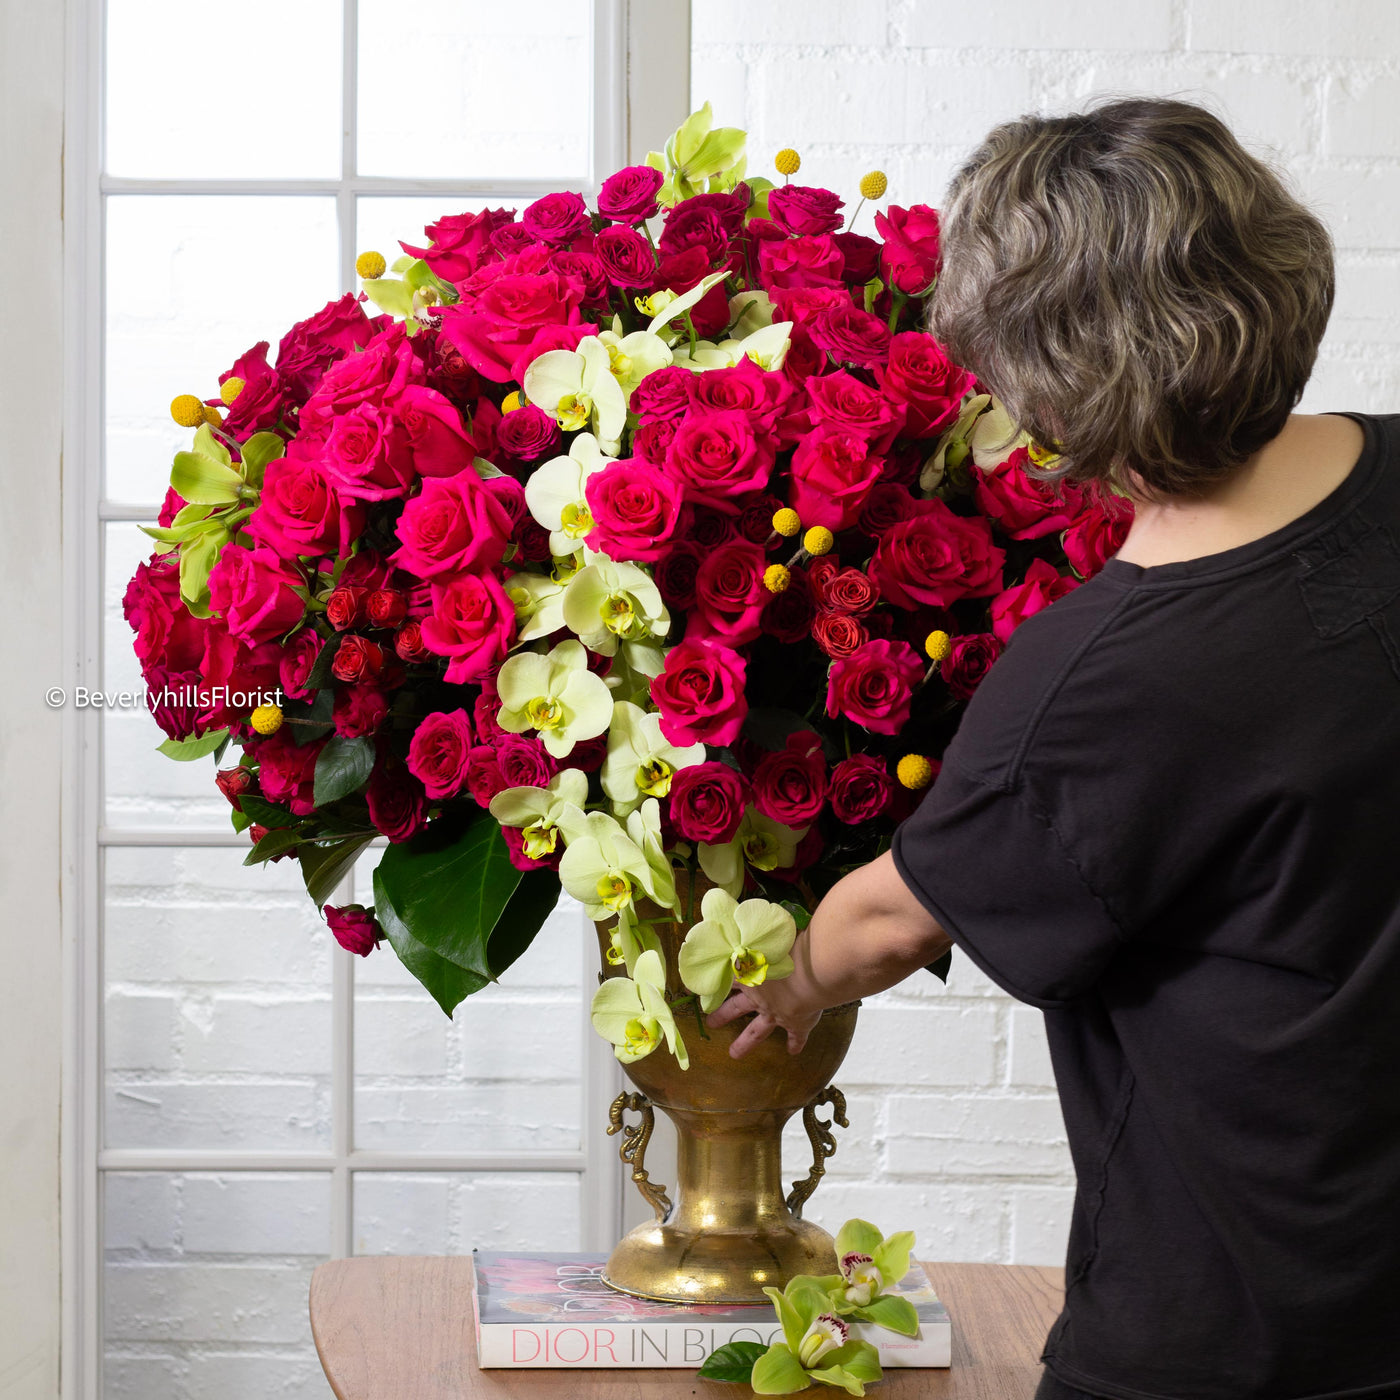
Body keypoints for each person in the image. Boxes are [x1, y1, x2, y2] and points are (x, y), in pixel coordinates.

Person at [710, 96, 1400, 1400]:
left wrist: (794, 980)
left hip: (1239, 1342)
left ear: (1041, 381)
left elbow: (893, 923)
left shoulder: (1098, 688)